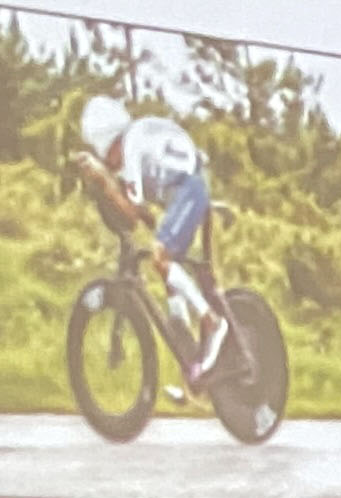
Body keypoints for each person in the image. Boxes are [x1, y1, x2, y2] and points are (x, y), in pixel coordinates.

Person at [80, 90, 231, 382]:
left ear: (110, 144)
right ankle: (186, 342)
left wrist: (105, 181)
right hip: (188, 186)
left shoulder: (131, 147)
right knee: (165, 260)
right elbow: (147, 217)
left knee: (160, 255)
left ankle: (212, 323)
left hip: (190, 187)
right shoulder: (138, 137)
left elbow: (132, 216)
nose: (109, 163)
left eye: (106, 157)